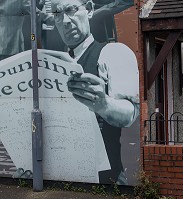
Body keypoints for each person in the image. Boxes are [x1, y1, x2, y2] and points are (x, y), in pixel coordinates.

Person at [51, 0, 139, 185]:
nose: (65, 20)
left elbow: (130, 114)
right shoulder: (54, 64)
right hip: (62, 176)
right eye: (57, 13)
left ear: (89, 10)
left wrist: (104, 104)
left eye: (71, 10)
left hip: (105, 180)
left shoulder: (112, 53)